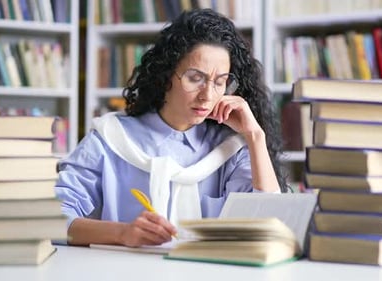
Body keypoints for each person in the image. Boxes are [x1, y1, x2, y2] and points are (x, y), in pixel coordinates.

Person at [55, 9, 287, 248]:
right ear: (165, 76)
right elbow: (53, 221)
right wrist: (122, 233)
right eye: (195, 78)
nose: (208, 95)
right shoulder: (110, 138)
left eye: (220, 82)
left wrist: (255, 136)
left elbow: (269, 225)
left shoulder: (229, 147)